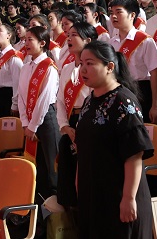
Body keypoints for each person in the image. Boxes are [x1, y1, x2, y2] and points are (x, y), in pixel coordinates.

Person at [76, 41, 154, 239]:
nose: (83, 69)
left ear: (109, 67)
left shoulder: (123, 101)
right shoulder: (89, 101)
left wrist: (128, 198)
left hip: (119, 193)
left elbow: (134, 154)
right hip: (95, 193)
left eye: (90, 63)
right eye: (81, 63)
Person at [55, 21, 97, 208]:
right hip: (70, 124)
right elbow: (60, 100)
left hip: (89, 122)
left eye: (74, 35)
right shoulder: (66, 68)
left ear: (88, 40)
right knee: (68, 172)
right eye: (68, 35)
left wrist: (80, 127)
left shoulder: (96, 68)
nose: (69, 39)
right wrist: (65, 126)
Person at [19, 26, 59, 200]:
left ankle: (57, 208)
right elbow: (21, 96)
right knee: (38, 167)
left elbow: (45, 98)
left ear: (42, 43)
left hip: (46, 118)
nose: (26, 43)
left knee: (52, 167)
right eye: (25, 40)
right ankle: (39, 206)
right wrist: (25, 123)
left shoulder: (49, 67)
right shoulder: (25, 67)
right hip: (30, 121)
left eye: (30, 40)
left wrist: (33, 125)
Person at [109, 0, 157, 124]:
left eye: (118, 12)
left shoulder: (145, 41)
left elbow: (155, 73)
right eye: (111, 13)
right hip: (118, 90)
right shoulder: (111, 42)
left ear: (132, 15)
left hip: (141, 91)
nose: (114, 16)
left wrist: (156, 105)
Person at [0, 23, 23, 118]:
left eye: (0, 31)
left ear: (8, 36)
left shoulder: (14, 57)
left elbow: (18, 83)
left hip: (9, 97)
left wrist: (15, 104)